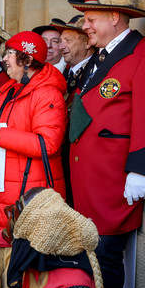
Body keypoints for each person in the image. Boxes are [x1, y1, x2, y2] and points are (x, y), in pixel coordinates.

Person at [67, 0, 145, 288]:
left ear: (114, 17)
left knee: (105, 258)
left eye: (90, 19)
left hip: (115, 181)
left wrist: (141, 168)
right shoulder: (99, 57)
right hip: (90, 181)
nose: (84, 25)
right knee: (90, 258)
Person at [0, 31, 66, 236]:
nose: (3, 58)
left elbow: (48, 144)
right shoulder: (10, 90)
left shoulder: (48, 93)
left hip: (29, 193)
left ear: (27, 59)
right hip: (4, 187)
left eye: (9, 53)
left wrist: (2, 136)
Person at [51, 15, 96, 207]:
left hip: (85, 163)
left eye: (67, 41)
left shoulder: (95, 72)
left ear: (87, 43)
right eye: (61, 41)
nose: (61, 47)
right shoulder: (65, 73)